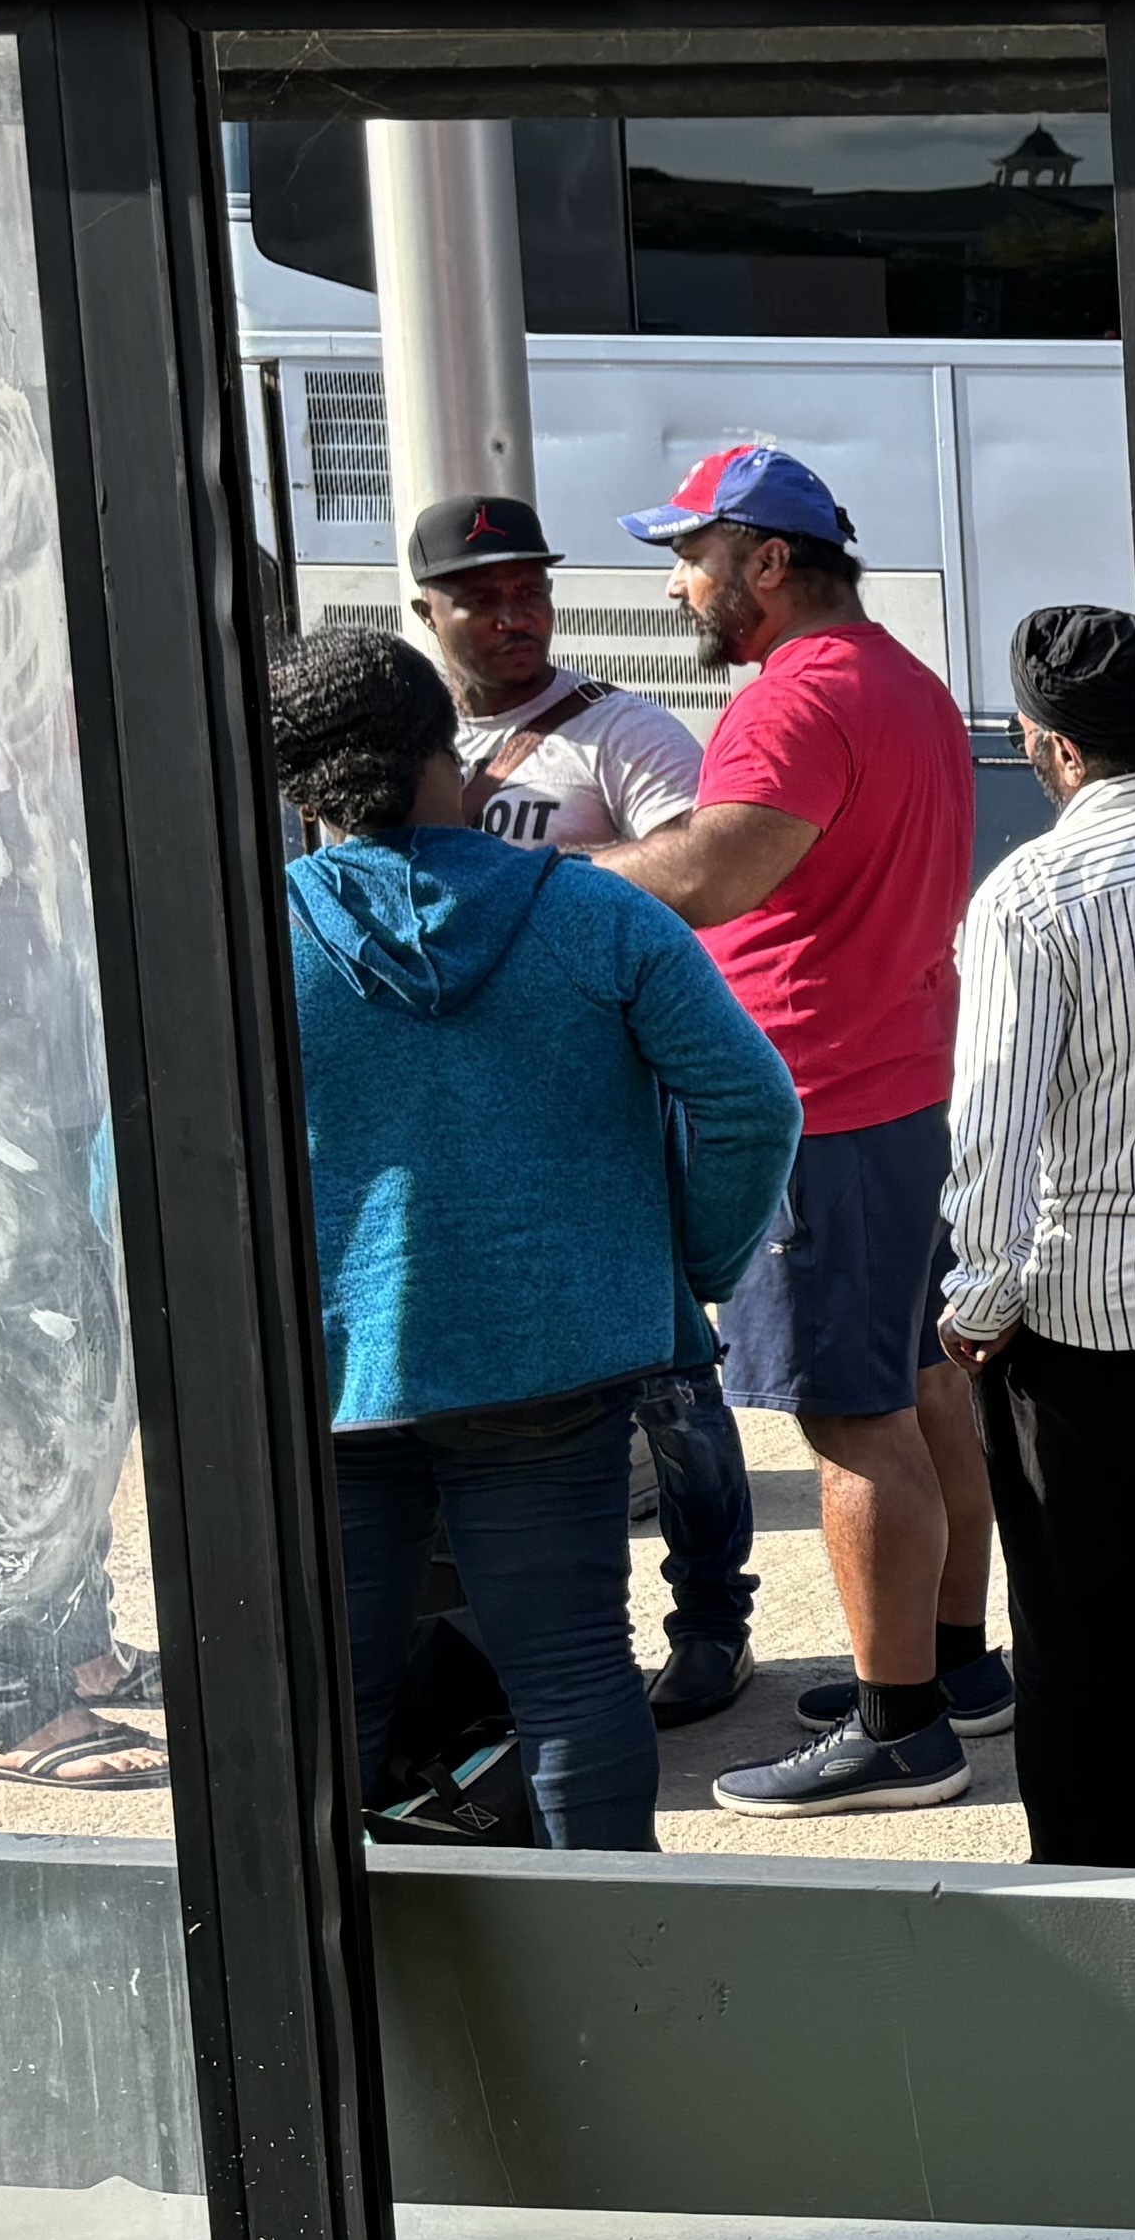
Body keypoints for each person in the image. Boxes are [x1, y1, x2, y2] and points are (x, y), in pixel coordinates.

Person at [270, 624, 796, 1854]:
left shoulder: (238, 942)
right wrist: (687, 1266)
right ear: (449, 747)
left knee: (328, 1693)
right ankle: (618, 1972)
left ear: (293, 783)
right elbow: (752, 1103)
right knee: (571, 1674)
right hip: (556, 1356)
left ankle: (361, 1994)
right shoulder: (598, 916)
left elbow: (125, 1168)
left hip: (320, 1368)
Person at [585, 442, 1002, 1814]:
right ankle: (950, 1671)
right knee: (924, 1387)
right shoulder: (904, 681)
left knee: (852, 1422)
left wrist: (529, 874)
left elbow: (707, 878)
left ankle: (897, 1735)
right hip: (901, 1089)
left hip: (817, 1107)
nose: (679, 592)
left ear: (766, 562)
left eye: (691, 561)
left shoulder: (792, 698)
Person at [404, 485, 762, 1729]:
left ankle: (714, 1617)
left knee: (671, 1373)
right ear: (427, 610)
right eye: (484, 598)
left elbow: (698, 890)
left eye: (531, 592)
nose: (517, 616)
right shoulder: (406, 743)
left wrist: (525, 887)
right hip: (461, 1118)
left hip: (612, 1097)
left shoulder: (622, 734)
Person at [941, 607, 1135, 1870]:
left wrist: (979, 1297)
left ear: (1051, 748)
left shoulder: (1034, 891)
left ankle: (1101, 1888)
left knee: (1080, 1630)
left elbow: (992, 1120)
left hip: (1089, 1317)